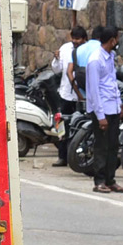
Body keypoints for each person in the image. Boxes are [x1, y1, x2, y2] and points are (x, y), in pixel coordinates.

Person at [85, 25, 123, 194]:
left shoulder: (110, 56)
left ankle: (110, 179)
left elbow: (111, 83)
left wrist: (119, 104)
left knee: (113, 145)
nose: (118, 41)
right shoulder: (95, 60)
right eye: (117, 38)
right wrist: (100, 116)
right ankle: (99, 180)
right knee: (102, 146)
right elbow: (94, 90)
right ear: (112, 40)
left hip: (113, 107)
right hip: (102, 110)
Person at [51, 25, 88, 166]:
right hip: (66, 94)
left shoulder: (89, 51)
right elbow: (56, 69)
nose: (75, 41)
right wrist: (56, 59)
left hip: (83, 96)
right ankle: (62, 156)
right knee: (62, 125)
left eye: (78, 39)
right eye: (73, 38)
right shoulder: (65, 48)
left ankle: (79, 156)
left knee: (81, 127)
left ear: (84, 39)